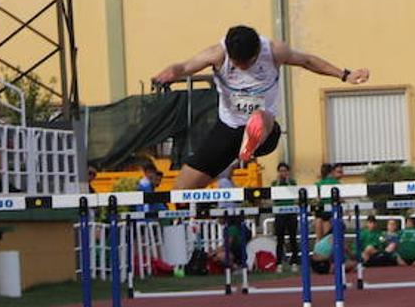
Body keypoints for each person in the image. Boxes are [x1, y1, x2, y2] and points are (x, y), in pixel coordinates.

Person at [151, 25, 369, 190]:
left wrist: (345, 74)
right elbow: (185, 66)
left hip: (265, 131)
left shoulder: (274, 51)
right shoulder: (217, 54)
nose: (242, 68)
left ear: (257, 53)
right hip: (228, 128)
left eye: (248, 64)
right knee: (180, 192)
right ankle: (186, 226)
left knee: (260, 116)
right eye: (238, 65)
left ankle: (249, 145)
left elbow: (308, 61)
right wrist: (170, 72)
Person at [270, 162, 299, 271]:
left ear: (288, 172)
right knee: (280, 239)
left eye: (285, 171)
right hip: (280, 213)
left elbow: (294, 194)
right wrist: (278, 182)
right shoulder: (274, 183)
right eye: (281, 171)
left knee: (293, 238)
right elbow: (274, 197)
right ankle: (279, 263)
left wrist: (287, 182)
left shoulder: (292, 182)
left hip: (291, 212)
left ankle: (294, 262)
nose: (283, 173)